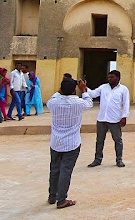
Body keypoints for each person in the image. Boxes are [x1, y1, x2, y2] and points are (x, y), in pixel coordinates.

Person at [46, 78, 93, 209]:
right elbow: (89, 102)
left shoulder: (53, 103)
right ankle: (62, 200)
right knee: (65, 171)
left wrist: (61, 88)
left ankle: (52, 196)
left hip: (56, 142)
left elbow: (54, 96)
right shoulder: (78, 103)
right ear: (74, 90)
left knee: (54, 169)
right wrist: (83, 89)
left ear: (61, 89)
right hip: (72, 143)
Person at [86, 70, 130, 168]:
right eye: (109, 77)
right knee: (99, 140)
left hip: (115, 119)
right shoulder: (103, 87)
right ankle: (97, 160)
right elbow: (93, 94)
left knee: (118, 140)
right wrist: (84, 88)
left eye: (112, 77)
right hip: (102, 119)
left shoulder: (123, 89)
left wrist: (124, 116)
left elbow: (126, 103)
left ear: (118, 78)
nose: (109, 79)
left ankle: (119, 160)